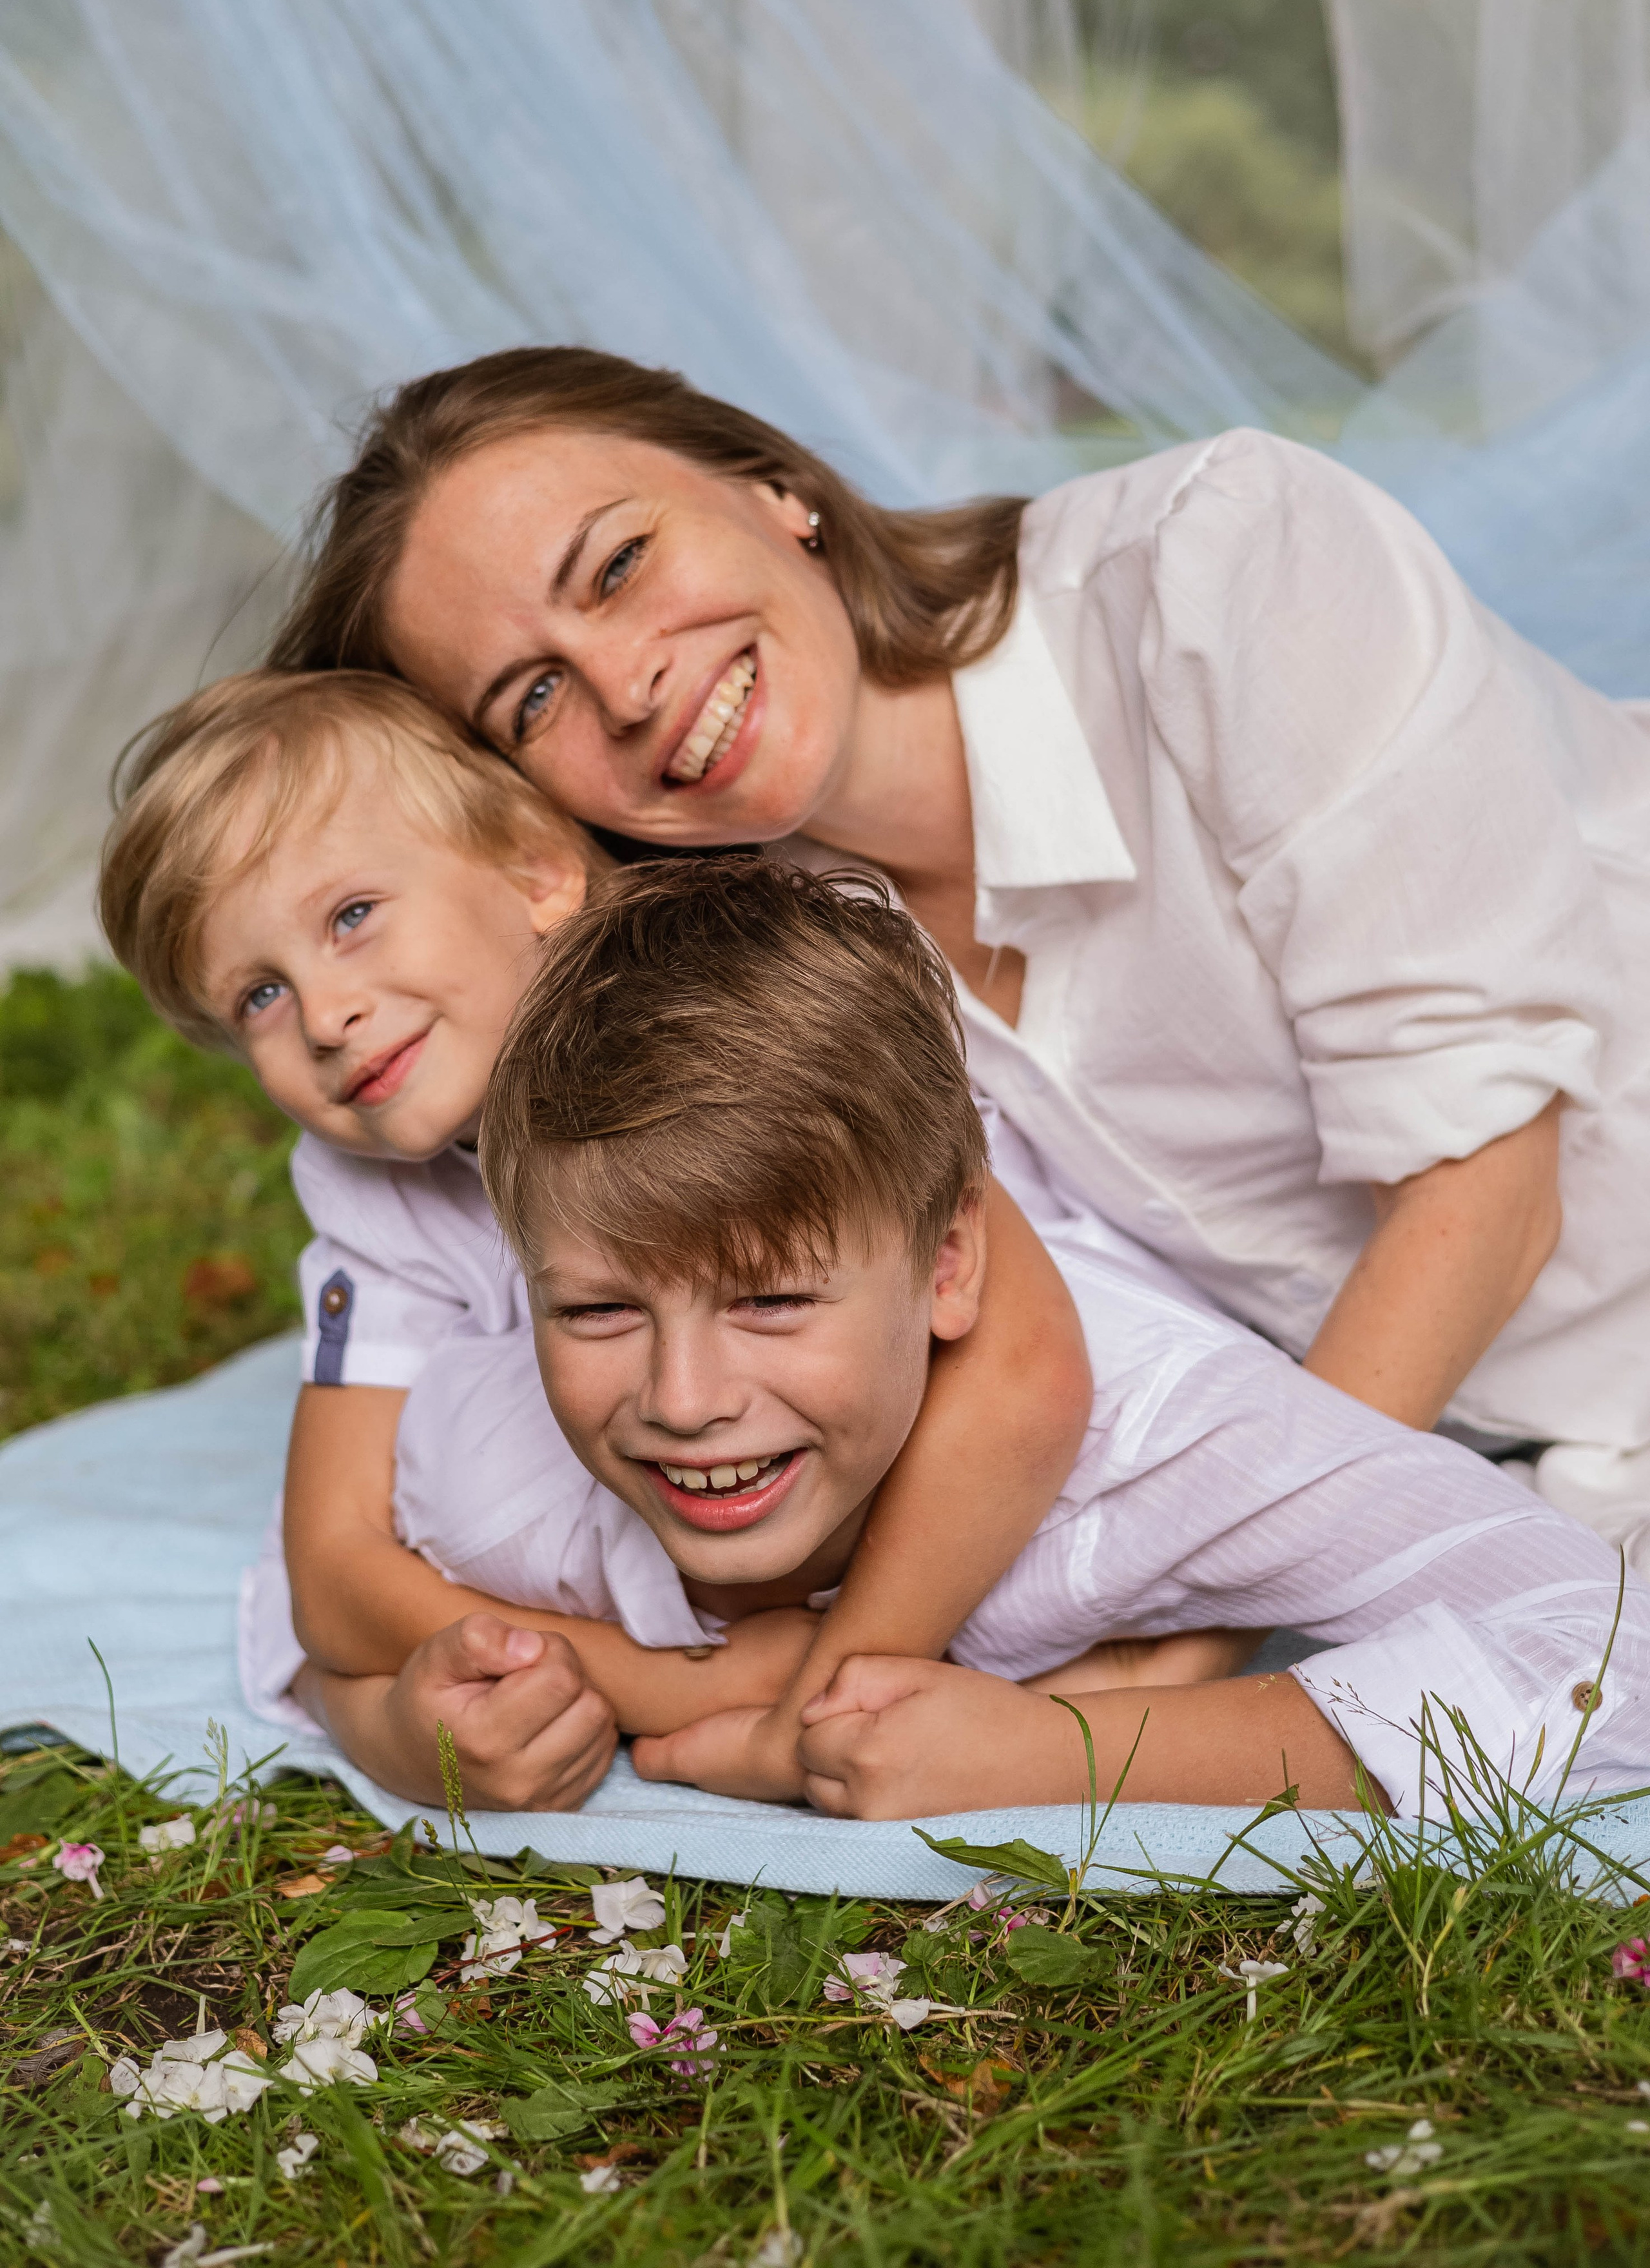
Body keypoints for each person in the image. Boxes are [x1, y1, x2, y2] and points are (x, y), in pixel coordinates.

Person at [267, 347, 1650, 1558]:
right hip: (1539, 1452)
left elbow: (1485, 1188)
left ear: (773, 488)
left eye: (620, 566)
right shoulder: (756, 976)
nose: (627, 686)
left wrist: (1188, 1641)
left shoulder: (1225, 564)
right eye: (534, 696)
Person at [97, 667, 1129, 1811]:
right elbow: (331, 1575)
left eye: (352, 917)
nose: (326, 1015)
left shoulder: (733, 1015)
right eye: (258, 998)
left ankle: (1132, 1688)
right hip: (739, 1552)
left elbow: (1028, 1373)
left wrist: (819, 1697)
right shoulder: (372, 1189)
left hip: (1018, 1471)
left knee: (1105, 1584)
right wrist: (621, 1689)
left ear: (539, 873)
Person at [425, 852, 1645, 1821]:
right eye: (596, 1309)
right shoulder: (501, 1454)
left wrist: (1065, 1749)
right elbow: (331, 1599)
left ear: (952, 1264)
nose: (682, 1399)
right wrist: (393, 1718)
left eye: (769, 1301)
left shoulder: (1165, 1439)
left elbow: (1613, 1661)